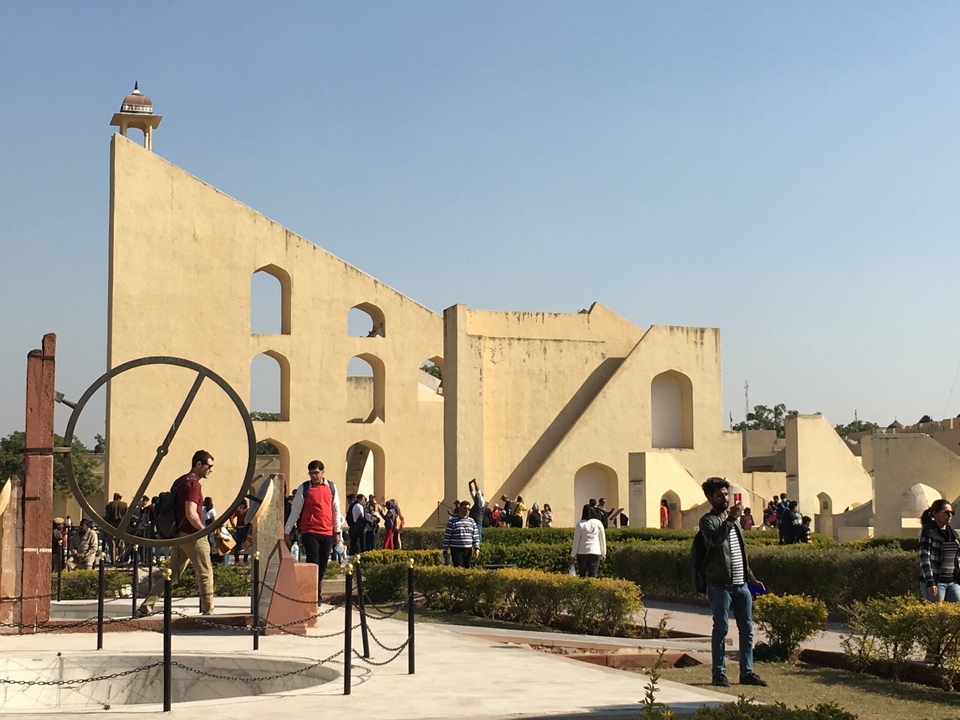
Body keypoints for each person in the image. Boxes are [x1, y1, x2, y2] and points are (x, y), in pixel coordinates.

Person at [699, 476, 766, 688]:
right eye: (720, 495)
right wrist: (730, 519)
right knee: (721, 629)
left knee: (747, 629)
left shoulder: (734, 522)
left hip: (741, 585)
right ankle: (718, 673)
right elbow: (715, 541)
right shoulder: (708, 521)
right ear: (710, 498)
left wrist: (752, 579)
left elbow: (739, 555)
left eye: (726, 494)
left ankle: (747, 672)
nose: (725, 498)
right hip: (720, 585)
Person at [137, 450, 217, 616]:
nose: (211, 470)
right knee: (205, 573)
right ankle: (209, 612)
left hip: (178, 535)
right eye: (209, 466)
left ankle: (147, 605)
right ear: (199, 464)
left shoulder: (180, 481)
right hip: (192, 535)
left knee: (171, 574)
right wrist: (204, 531)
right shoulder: (193, 485)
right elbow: (191, 513)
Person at [285, 460, 343, 602]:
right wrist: (287, 530)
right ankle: (312, 595)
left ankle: (317, 589)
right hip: (310, 531)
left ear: (323, 472)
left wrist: (337, 531)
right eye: (311, 473)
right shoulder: (304, 488)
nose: (314, 476)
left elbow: (336, 510)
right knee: (313, 563)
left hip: (327, 531)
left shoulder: (331, 487)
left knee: (322, 565)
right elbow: (295, 511)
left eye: (316, 473)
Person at [919, 499, 960, 603]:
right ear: (935, 514)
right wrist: (930, 582)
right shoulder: (928, 533)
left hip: (953, 581)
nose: (949, 515)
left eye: (951, 512)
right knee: (937, 610)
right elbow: (925, 559)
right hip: (936, 582)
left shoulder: (952, 534)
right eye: (946, 512)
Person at [442, 500, 481, 568]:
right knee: (459, 568)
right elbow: (447, 536)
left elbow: (475, 536)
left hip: (468, 550)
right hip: (456, 549)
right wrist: (445, 550)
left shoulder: (472, 521)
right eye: (464, 508)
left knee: (467, 569)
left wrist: (477, 548)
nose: (467, 511)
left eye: (468, 509)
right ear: (460, 508)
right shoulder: (452, 521)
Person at [571, 504, 606, 577]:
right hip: (595, 551)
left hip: (582, 551)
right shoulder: (598, 523)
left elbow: (576, 540)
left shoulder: (580, 524)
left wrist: (573, 555)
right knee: (593, 575)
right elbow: (602, 539)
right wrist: (603, 553)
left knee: (582, 575)